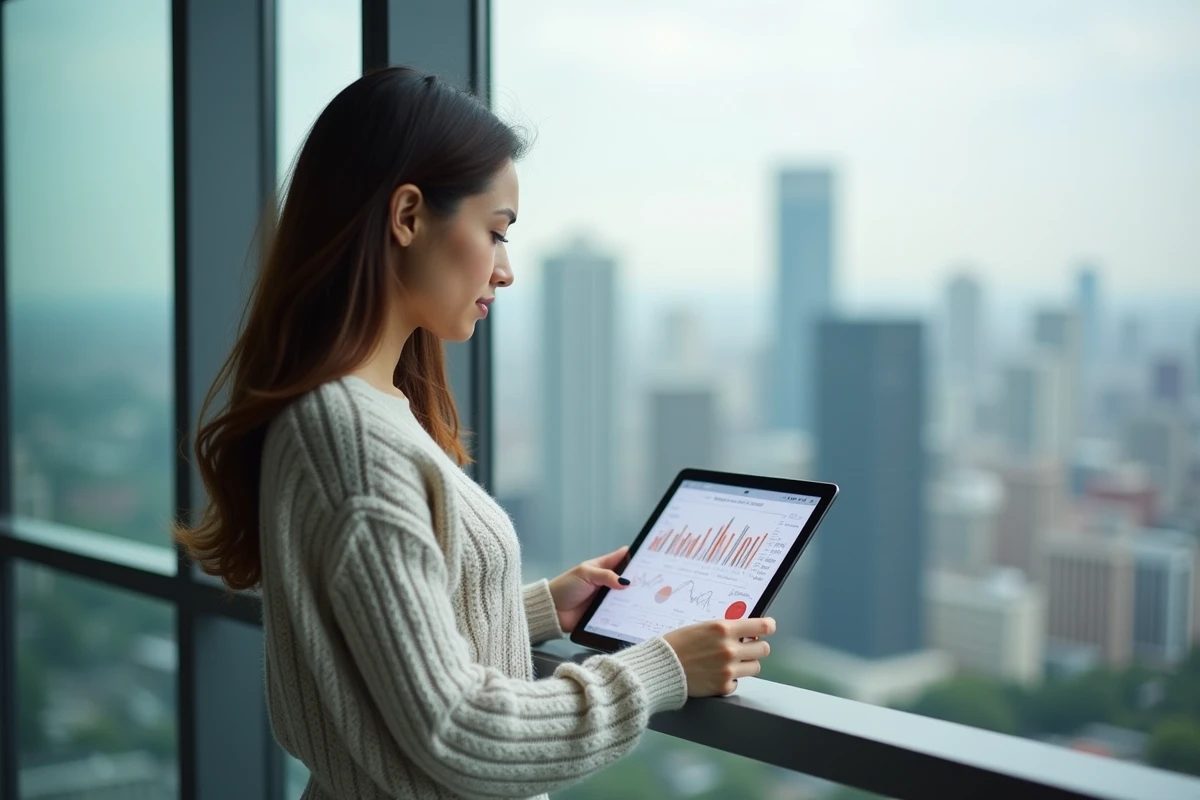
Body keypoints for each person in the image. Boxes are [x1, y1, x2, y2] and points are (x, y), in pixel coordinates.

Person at [175, 66, 775, 800]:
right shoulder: (352, 441)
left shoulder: (356, 412)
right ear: (407, 216)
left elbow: (387, 660)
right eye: (495, 233)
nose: (506, 270)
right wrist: (663, 670)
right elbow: (459, 732)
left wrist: (536, 608)